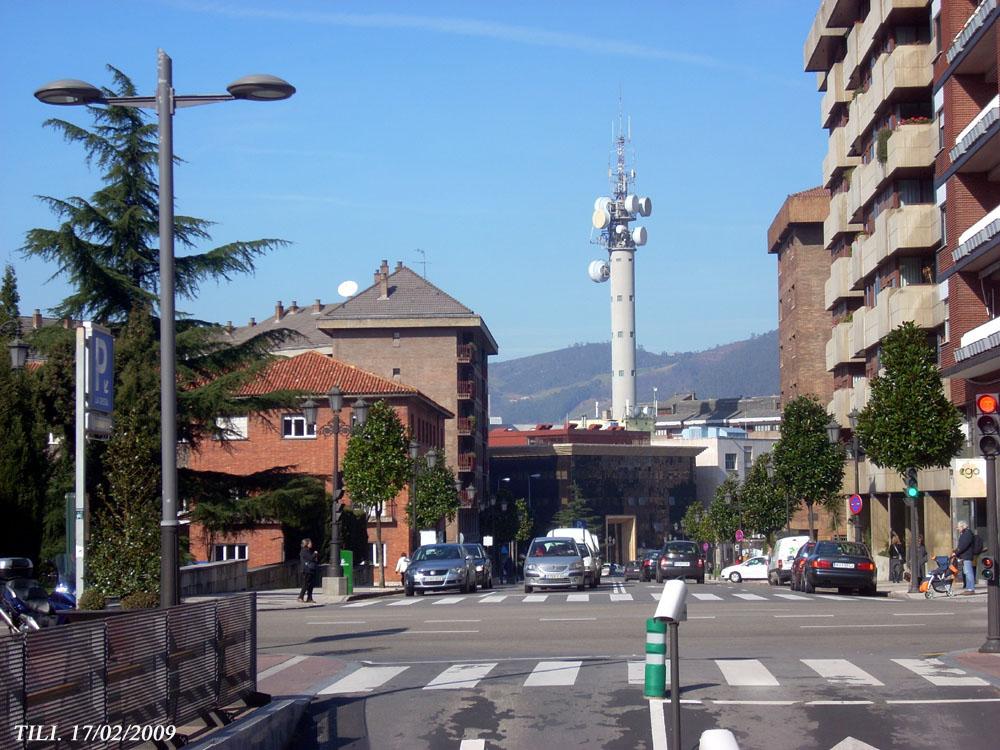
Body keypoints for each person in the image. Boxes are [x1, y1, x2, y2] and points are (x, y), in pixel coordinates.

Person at [954, 521, 977, 595]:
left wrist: (956, 552)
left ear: (962, 526)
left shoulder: (967, 533)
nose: (958, 529)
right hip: (965, 556)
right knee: (967, 572)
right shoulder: (965, 533)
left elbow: (963, 545)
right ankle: (968, 588)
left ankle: (971, 589)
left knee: (968, 572)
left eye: (958, 527)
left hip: (967, 556)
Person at [298, 538, 317, 603]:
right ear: (307, 544)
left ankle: (309, 598)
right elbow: (310, 558)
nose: (311, 544)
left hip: (310, 569)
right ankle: (300, 597)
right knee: (305, 584)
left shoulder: (308, 550)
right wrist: (315, 553)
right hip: (306, 570)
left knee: (311, 585)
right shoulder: (304, 551)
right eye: (310, 543)